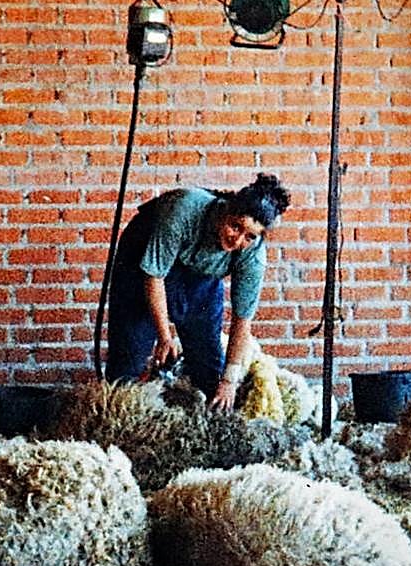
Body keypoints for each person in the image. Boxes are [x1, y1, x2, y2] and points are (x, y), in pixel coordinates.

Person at [105, 172, 290, 412]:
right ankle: (117, 419)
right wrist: (164, 337)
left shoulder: (253, 255)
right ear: (226, 211)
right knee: (130, 353)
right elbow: (154, 275)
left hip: (200, 273)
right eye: (235, 226)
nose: (237, 240)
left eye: (249, 236)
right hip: (142, 261)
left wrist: (229, 381)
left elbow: (242, 319)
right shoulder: (183, 209)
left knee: (209, 364)